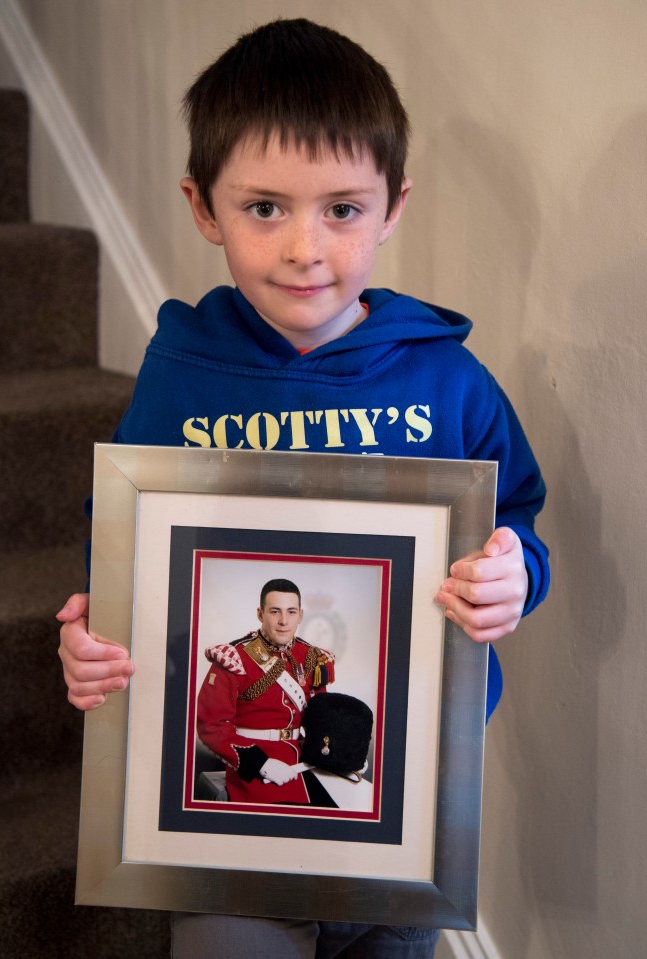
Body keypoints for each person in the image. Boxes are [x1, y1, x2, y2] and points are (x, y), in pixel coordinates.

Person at [57, 18, 550, 959]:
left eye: (343, 209)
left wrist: (514, 573)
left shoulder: (446, 379)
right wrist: (93, 639)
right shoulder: (180, 374)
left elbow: (516, 516)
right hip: (222, 816)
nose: (304, 250)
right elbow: (123, 542)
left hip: (405, 803)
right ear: (203, 207)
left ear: (394, 205)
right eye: (265, 208)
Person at [196, 578, 336, 805]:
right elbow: (211, 726)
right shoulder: (235, 658)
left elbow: (322, 718)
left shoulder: (312, 656)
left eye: (291, 612)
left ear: (300, 615)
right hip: (254, 768)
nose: (283, 621)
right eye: (275, 612)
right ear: (260, 614)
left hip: (305, 765)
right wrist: (261, 764)